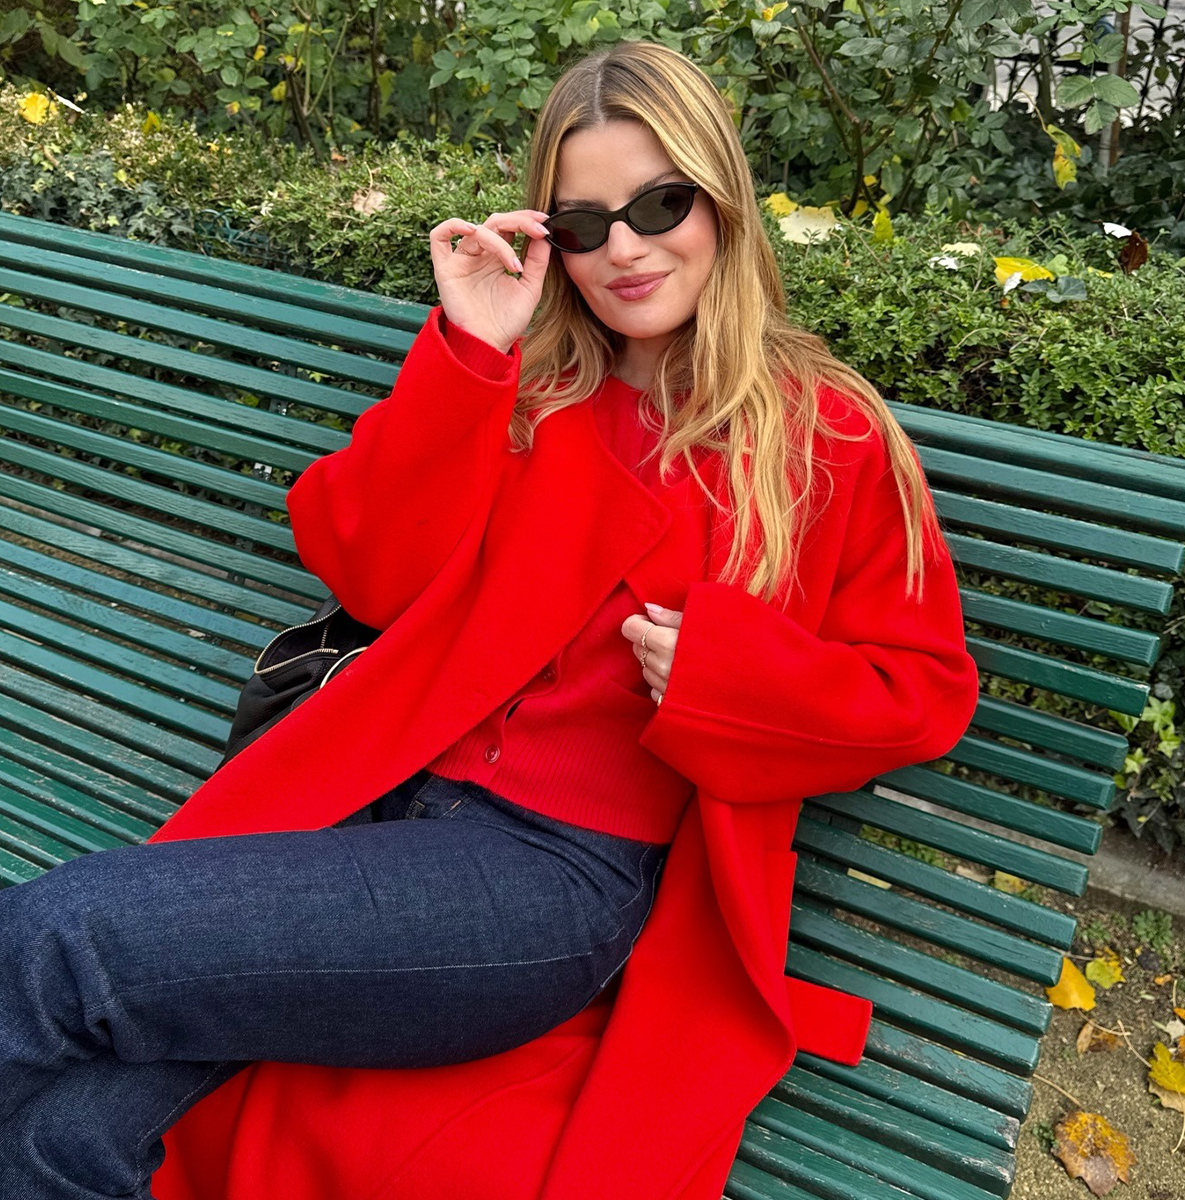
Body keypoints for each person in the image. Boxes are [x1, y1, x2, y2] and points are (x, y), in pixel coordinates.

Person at [0, 38, 979, 1200]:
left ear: (722, 203)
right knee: (63, 1134)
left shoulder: (825, 438)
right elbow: (366, 565)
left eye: (660, 203)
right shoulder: (532, 391)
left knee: (55, 940)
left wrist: (727, 671)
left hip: (550, 883)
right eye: (581, 223)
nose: (622, 247)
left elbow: (922, 692)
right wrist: (470, 346)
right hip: (371, 810)